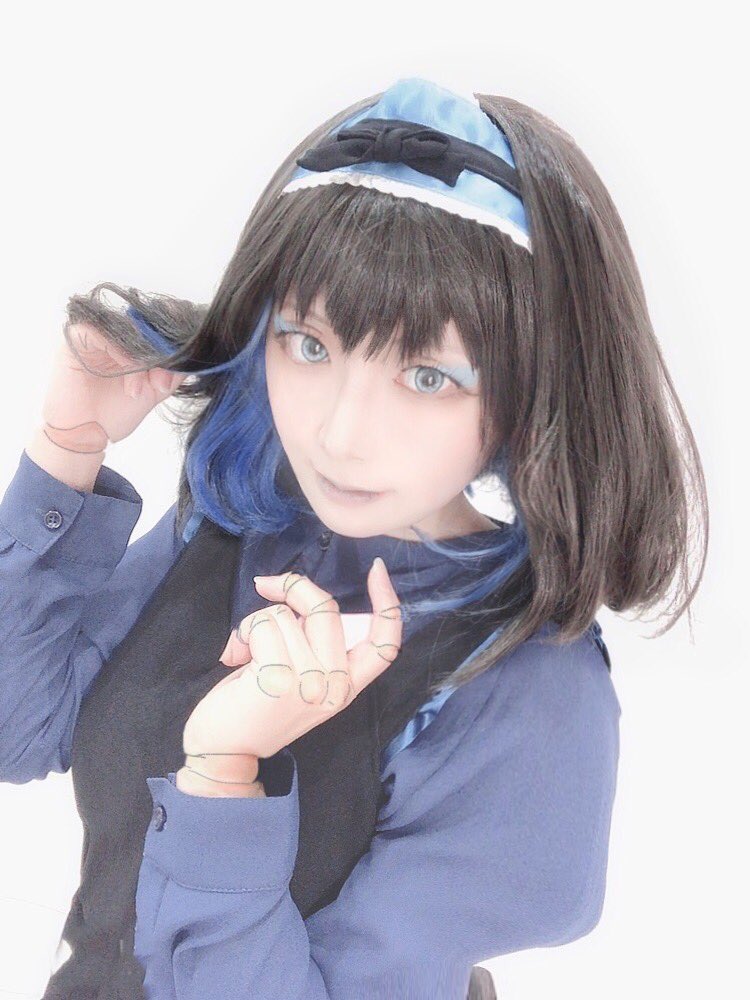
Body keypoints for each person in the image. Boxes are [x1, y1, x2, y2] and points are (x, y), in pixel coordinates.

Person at [0, 76, 707, 999]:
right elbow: (21, 728)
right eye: (310, 345)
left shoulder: (529, 694)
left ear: (536, 388)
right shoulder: (240, 527)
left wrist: (225, 775)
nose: (339, 434)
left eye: (427, 377)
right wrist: (69, 450)